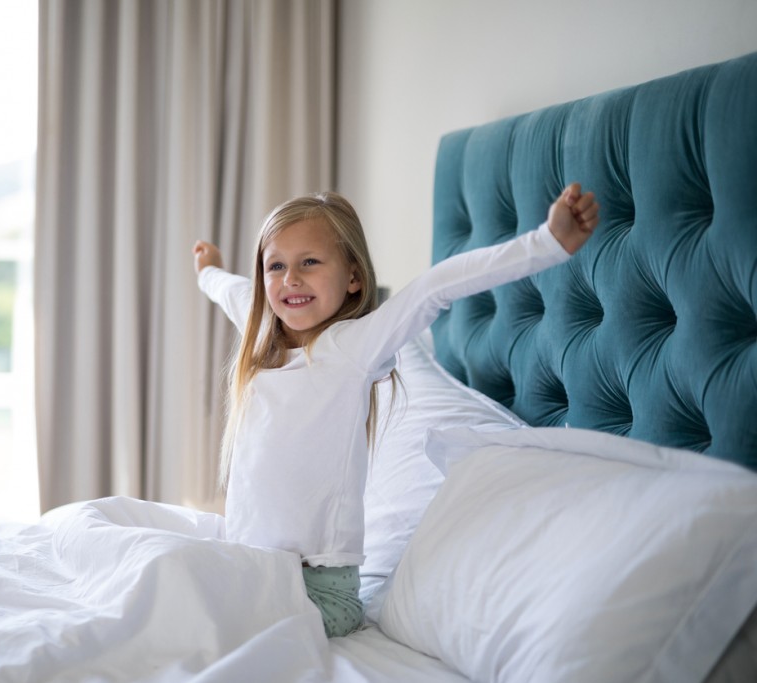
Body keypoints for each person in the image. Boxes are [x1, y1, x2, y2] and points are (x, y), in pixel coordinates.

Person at [192, 184, 599, 637]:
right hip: (253, 568)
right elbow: (232, 290)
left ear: (353, 277)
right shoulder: (260, 339)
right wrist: (207, 271)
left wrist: (545, 242)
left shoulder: (352, 347)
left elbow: (436, 287)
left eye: (310, 261)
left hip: (319, 591)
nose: (290, 278)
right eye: (277, 265)